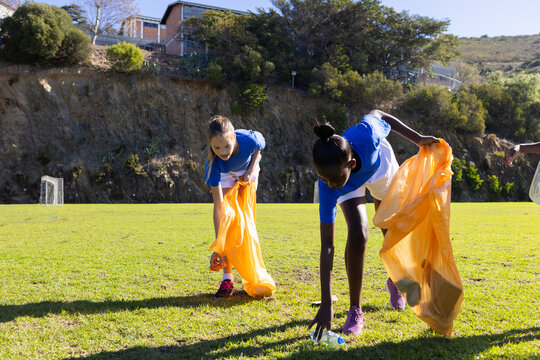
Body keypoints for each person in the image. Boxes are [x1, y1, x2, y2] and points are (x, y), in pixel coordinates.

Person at [308, 109, 439, 340]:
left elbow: (380, 114)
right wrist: (327, 302)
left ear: (352, 163)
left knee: (390, 229)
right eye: (324, 179)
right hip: (350, 181)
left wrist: (418, 139)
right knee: (358, 234)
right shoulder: (330, 184)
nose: (330, 185)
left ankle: (396, 279)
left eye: (333, 180)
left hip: (379, 167)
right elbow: (327, 245)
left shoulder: (367, 135)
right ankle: (355, 310)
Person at [205, 115, 266, 300]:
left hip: (249, 170)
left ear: (234, 138)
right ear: (210, 145)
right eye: (217, 147)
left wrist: (249, 172)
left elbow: (259, 148)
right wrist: (219, 246)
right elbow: (219, 208)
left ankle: (253, 273)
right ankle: (227, 280)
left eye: (227, 146)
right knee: (229, 222)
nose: (223, 151)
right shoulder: (213, 164)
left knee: (246, 223)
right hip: (226, 174)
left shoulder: (248, 139)